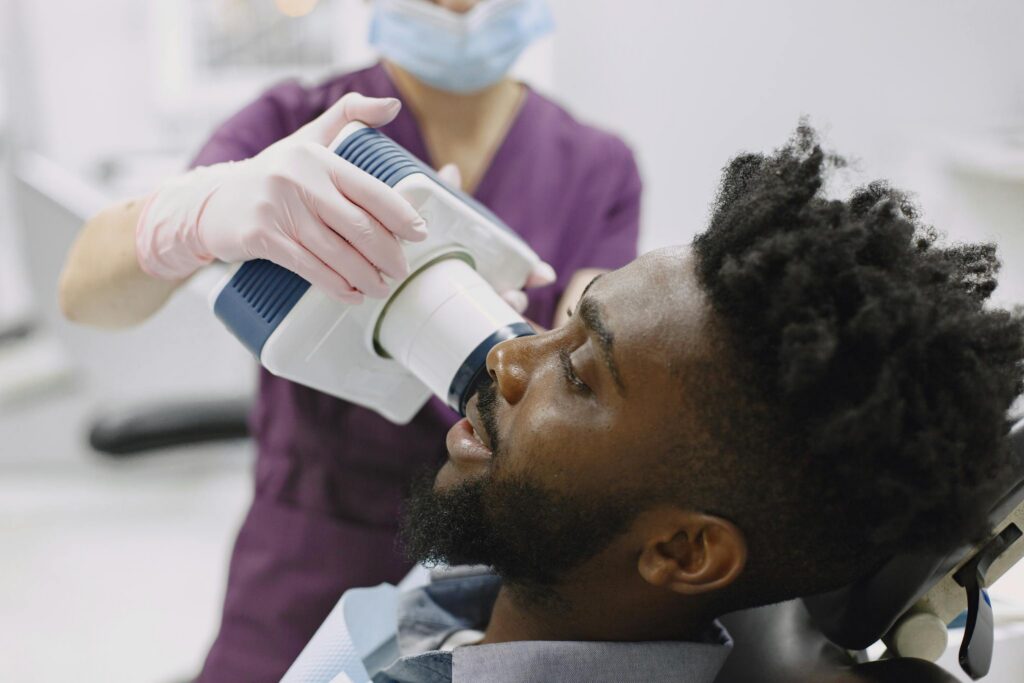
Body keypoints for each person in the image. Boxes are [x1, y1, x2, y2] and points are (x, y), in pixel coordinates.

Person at [304, 126, 1024, 682]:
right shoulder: (518, 563)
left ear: (683, 550)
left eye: (581, 374)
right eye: (567, 322)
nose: (508, 356)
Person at [57, 0, 641, 679]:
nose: (458, 10)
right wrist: (197, 214)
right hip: (305, 553)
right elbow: (84, 292)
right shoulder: (299, 124)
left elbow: (588, 370)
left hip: (491, 561)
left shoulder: (598, 167)